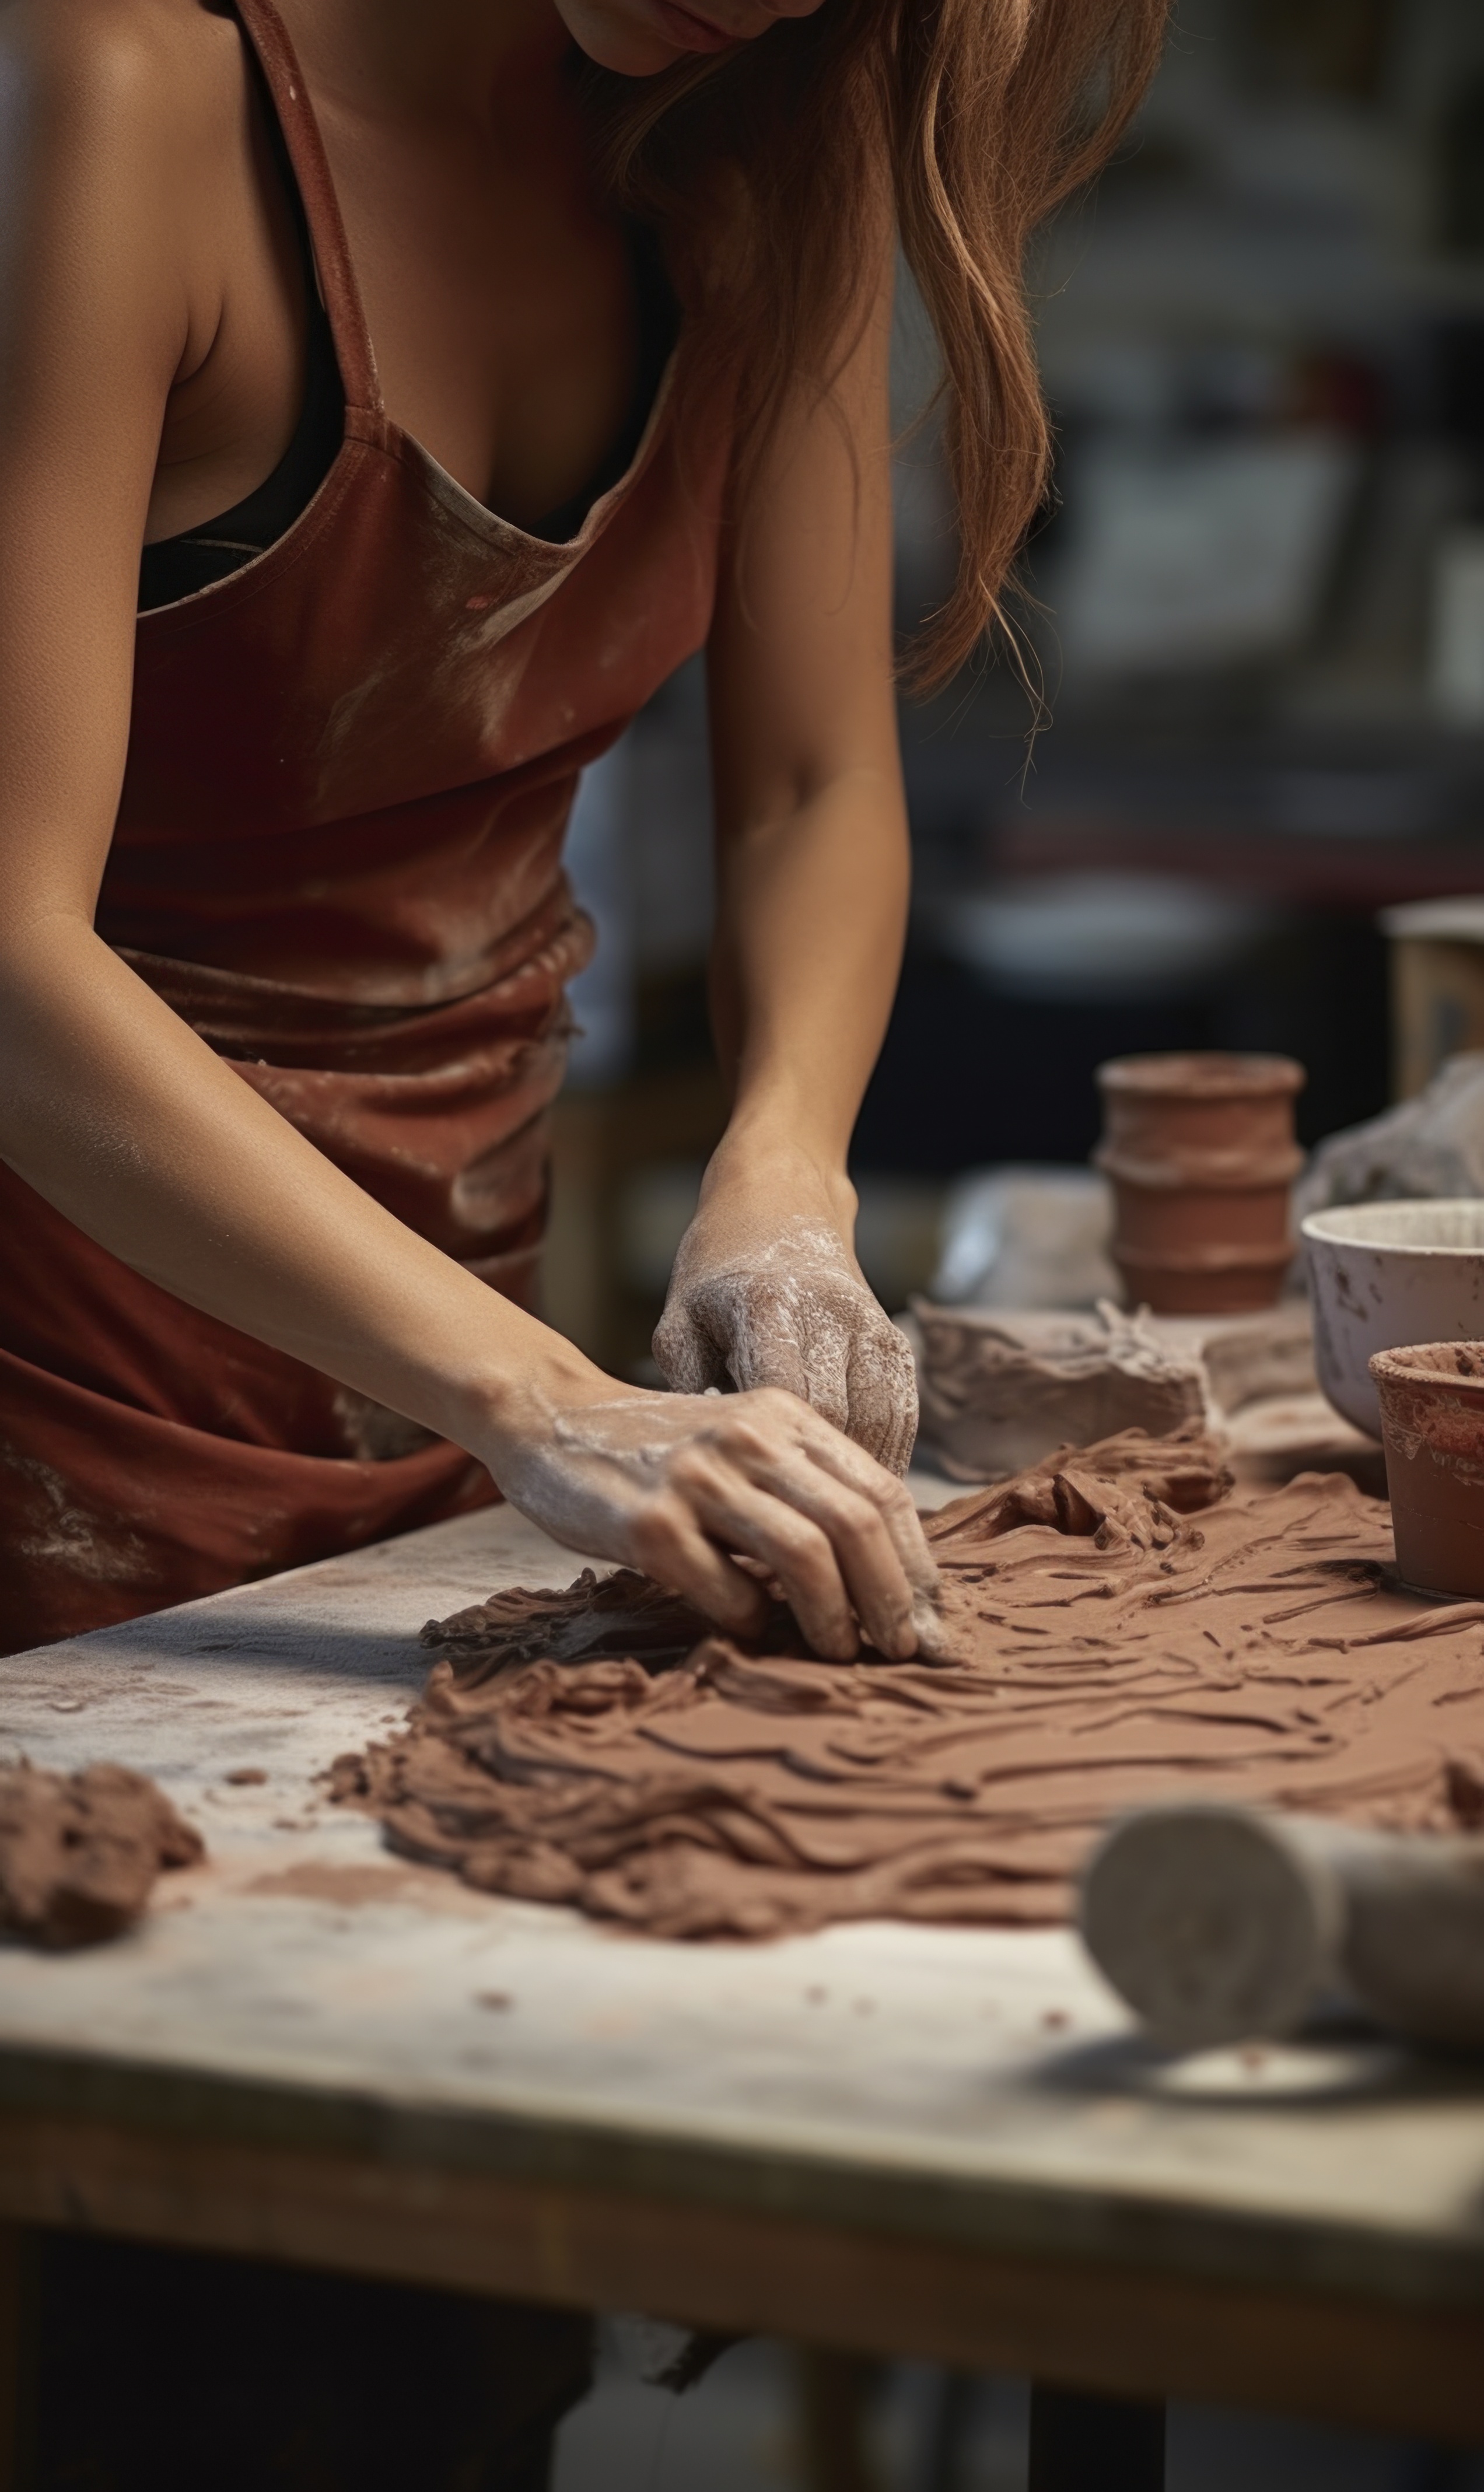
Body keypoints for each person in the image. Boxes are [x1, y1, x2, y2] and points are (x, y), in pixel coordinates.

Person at [0, 0, 1166, 2470]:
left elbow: (827, 780)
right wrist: (547, 1400)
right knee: (160, 2331)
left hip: (433, 1415)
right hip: (58, 1390)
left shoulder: (755, 152)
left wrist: (782, 1182)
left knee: (423, 2328)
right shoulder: (130, 81)